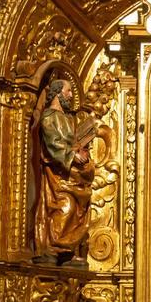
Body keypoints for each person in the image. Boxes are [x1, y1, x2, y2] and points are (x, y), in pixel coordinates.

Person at [33, 78, 95, 265]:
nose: (70, 95)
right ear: (58, 93)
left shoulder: (69, 118)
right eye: (68, 91)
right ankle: (53, 247)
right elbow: (53, 144)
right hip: (58, 172)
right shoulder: (49, 117)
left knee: (77, 209)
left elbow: (72, 141)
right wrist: (71, 155)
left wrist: (81, 150)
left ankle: (68, 249)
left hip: (72, 171)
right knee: (65, 206)